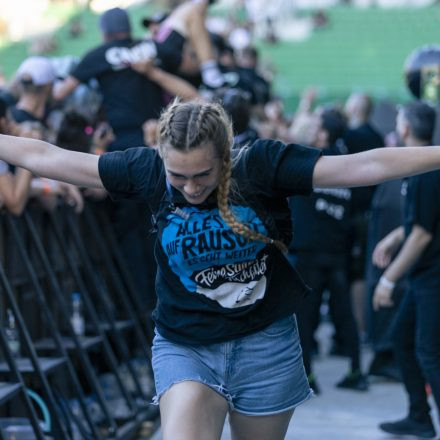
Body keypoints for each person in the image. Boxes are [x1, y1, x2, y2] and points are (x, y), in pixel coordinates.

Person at [2, 99, 440, 440]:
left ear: (225, 154)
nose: (190, 188)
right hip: (186, 343)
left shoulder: (261, 167)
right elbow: (51, 158)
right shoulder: (146, 171)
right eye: (179, 177)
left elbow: (364, 166)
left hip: (264, 345)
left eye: (203, 175)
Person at [373, 101, 440, 439]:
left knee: (430, 352)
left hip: (433, 278)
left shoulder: (427, 168)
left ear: (405, 129)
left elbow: (424, 233)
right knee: (402, 337)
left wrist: (388, 279)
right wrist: (395, 236)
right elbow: (423, 223)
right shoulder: (421, 164)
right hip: (423, 276)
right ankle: (419, 417)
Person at [289, 107, 367, 393]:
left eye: (318, 126)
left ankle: (307, 378)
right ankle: (357, 371)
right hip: (336, 253)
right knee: (344, 315)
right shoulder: (345, 164)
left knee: (305, 318)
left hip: (309, 252)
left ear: (323, 132)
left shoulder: (308, 160)